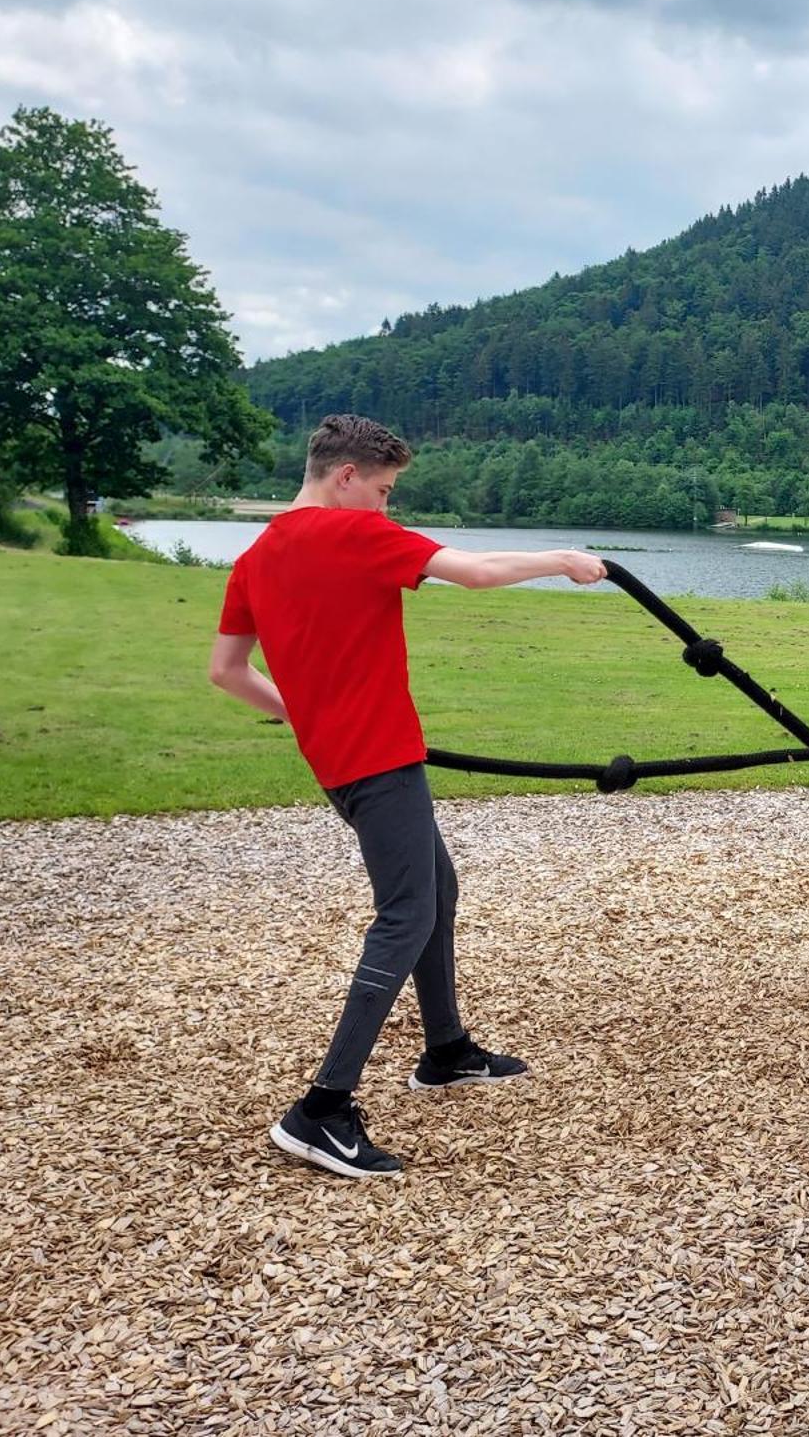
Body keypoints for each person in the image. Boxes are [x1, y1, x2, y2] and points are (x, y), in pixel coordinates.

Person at [208, 413, 607, 1178]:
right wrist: (563, 558)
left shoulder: (255, 558)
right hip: (379, 757)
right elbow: (479, 573)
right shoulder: (352, 534)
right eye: (384, 490)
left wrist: (304, 709)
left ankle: (447, 1050)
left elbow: (226, 671)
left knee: (437, 888)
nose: (387, 507)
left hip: (338, 760)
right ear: (346, 475)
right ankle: (321, 1108)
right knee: (407, 913)